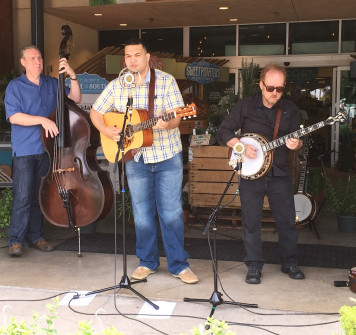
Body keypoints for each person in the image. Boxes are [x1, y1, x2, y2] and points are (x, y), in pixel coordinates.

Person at [90, 37, 198, 284]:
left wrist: (167, 122)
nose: (132, 60)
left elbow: (177, 119)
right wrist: (106, 131)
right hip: (135, 158)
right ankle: (147, 262)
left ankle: (179, 265)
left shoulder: (166, 81)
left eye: (137, 55)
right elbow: (96, 112)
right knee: (141, 214)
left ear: (147, 57)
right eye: (128, 56)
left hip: (166, 156)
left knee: (170, 213)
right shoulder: (119, 85)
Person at [218, 64, 305, 284]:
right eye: (270, 87)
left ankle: (290, 262)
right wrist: (240, 146)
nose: (275, 92)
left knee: (286, 220)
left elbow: (301, 140)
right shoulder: (245, 106)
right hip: (251, 174)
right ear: (261, 85)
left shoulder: (290, 109)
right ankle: (254, 266)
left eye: (280, 88)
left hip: (280, 172)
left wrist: (297, 144)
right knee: (251, 221)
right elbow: (223, 132)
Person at [5, 45, 82, 256]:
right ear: (23, 62)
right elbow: (14, 117)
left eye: (39, 58)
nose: (37, 62)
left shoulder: (51, 83)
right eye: (32, 59)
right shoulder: (15, 86)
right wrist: (41, 120)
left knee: (41, 196)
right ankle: (16, 241)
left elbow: (76, 98)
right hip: (24, 151)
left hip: (48, 150)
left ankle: (37, 237)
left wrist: (72, 75)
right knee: (23, 197)